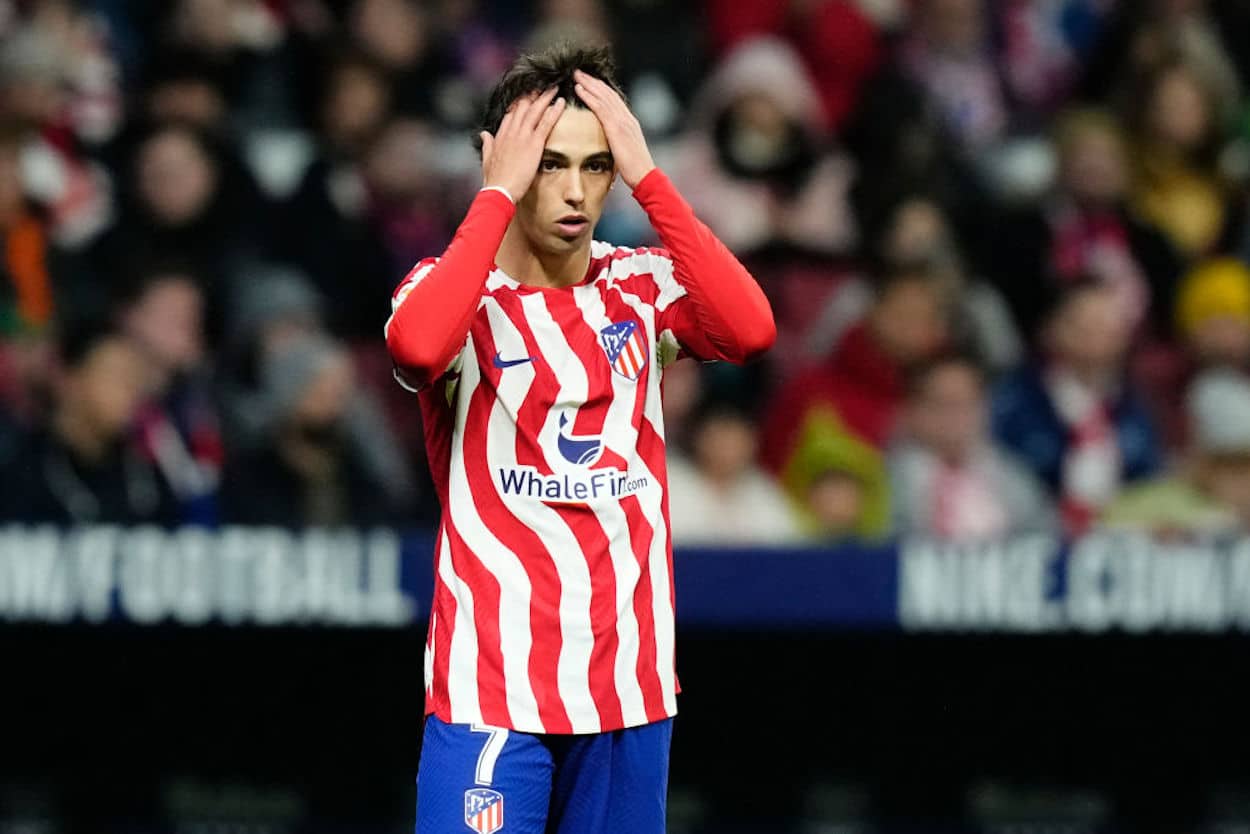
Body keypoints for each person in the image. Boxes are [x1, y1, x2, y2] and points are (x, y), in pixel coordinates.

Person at [384, 43, 774, 834]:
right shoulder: (454, 293)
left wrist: (652, 179)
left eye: (596, 166)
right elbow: (419, 348)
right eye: (548, 164)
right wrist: (494, 194)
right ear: (504, 164)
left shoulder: (642, 284)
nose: (573, 191)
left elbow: (751, 329)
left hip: (628, 687)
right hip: (491, 688)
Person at [992, 280, 1162, 535]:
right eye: (1084, 323)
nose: (1097, 335)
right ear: (1052, 329)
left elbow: (1150, 480)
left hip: (1122, 544)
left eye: (1108, 324)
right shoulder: (1016, 401)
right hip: (1032, 542)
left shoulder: (1134, 405)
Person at [0, 320, 179, 525]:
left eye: (136, 379)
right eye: (117, 376)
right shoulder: (19, 473)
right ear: (69, 379)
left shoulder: (147, 476)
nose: (132, 390)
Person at [888, 354, 1055, 540]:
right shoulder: (886, 481)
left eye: (966, 402)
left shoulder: (1013, 475)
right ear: (913, 410)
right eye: (942, 403)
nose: (955, 416)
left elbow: (1046, 541)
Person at [1103, 369, 1250, 536]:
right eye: (1231, 467)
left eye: (1247, 469)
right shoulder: (1150, 503)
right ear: (1202, 462)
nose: (1243, 484)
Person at [666, 400, 801, 546]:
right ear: (698, 437)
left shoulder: (764, 492)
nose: (728, 446)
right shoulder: (672, 483)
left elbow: (784, 550)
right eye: (720, 435)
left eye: (736, 436)